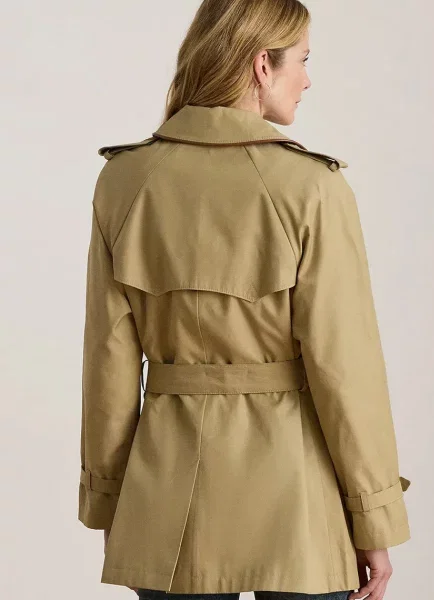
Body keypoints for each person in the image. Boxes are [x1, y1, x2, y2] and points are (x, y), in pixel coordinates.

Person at [78, 1, 412, 600]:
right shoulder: (312, 186)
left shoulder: (124, 180)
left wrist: (111, 502)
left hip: (165, 498)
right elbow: (345, 368)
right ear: (263, 65)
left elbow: (108, 363)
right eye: (302, 60)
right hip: (297, 501)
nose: (307, 79)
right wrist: (373, 517)